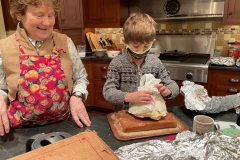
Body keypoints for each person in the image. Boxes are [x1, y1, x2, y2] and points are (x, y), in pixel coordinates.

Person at [0, 0, 91, 136]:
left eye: (51, 15)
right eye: (39, 15)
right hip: (20, 133)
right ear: (19, 14)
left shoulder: (65, 42)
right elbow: (2, 88)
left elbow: (80, 78)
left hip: (66, 127)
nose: (47, 23)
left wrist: (77, 96)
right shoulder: (4, 47)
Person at [103, 13, 179, 111]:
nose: (141, 51)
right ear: (125, 42)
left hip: (150, 115)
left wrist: (168, 91)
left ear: (153, 42)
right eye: (136, 46)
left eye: (146, 46)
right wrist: (129, 97)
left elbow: (173, 85)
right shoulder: (117, 63)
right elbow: (108, 92)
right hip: (124, 116)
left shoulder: (156, 63)